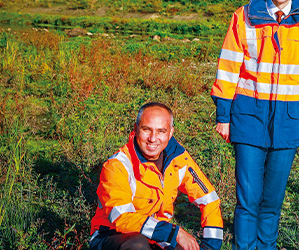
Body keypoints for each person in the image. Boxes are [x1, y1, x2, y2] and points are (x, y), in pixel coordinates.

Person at [210, 0, 299, 250]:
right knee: (248, 199)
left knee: (273, 200)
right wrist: (224, 115)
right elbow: (228, 67)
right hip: (248, 116)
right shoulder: (243, 17)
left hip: (289, 121)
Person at [89, 102, 223, 250]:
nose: (153, 139)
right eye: (147, 129)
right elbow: (122, 218)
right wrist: (173, 233)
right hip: (112, 235)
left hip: (157, 237)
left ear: (170, 133)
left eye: (161, 131)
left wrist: (211, 246)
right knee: (137, 245)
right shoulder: (117, 165)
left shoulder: (179, 159)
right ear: (136, 129)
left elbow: (209, 199)